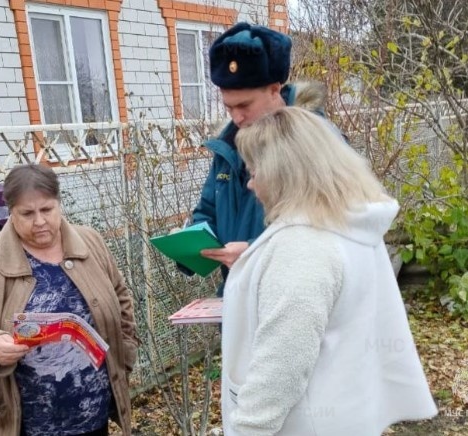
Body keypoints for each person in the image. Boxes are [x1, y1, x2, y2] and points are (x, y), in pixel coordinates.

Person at [220, 107, 438, 435]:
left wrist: (245, 430)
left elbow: (281, 367)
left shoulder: (302, 246)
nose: (251, 184)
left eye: (254, 171)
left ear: (282, 173)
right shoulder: (349, 226)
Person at [0, 164, 138, 436]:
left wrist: (124, 352)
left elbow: (121, 297)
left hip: (92, 415)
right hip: (24, 423)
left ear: (59, 204)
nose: (39, 221)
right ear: (11, 212)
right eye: (27, 213)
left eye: (46, 209)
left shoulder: (91, 242)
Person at [187, 22, 331, 294]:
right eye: (228, 107)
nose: (236, 118)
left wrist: (255, 252)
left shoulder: (317, 143)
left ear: (275, 90)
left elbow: (329, 230)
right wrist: (190, 244)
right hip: (239, 302)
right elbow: (208, 212)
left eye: (244, 105)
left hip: (294, 299)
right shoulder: (227, 146)